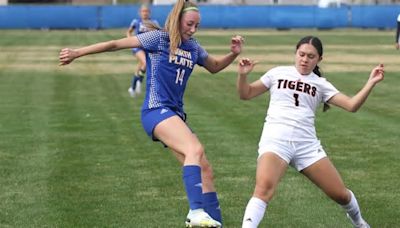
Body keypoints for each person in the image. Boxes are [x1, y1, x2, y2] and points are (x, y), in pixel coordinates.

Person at [59, 0, 244, 227]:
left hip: (175, 114)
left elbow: (214, 66)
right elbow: (116, 44)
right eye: (189, 24)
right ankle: (195, 212)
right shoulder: (159, 39)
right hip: (156, 110)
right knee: (194, 149)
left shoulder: (193, 47)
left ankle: (215, 223)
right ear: (177, 20)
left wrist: (233, 54)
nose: (193, 30)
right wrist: (78, 52)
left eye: (197, 26)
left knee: (205, 169)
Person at [236, 36, 384, 228]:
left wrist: (371, 82)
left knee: (340, 194)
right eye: (302, 54)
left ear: (319, 60)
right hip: (275, 140)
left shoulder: (320, 83)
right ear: (295, 53)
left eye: (311, 56)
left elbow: (351, 105)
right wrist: (242, 75)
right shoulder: (277, 73)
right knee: (263, 189)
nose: (305, 59)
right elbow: (245, 93)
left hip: (307, 145)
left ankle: (360, 223)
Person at [126, 4, 160, 97]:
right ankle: (139, 83)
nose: (145, 13)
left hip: (148, 47)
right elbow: (129, 32)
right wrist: (130, 41)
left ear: (149, 12)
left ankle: (132, 87)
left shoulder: (153, 22)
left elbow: (158, 34)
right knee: (144, 63)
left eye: (146, 11)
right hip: (138, 46)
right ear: (140, 12)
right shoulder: (136, 22)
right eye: (143, 11)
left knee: (141, 66)